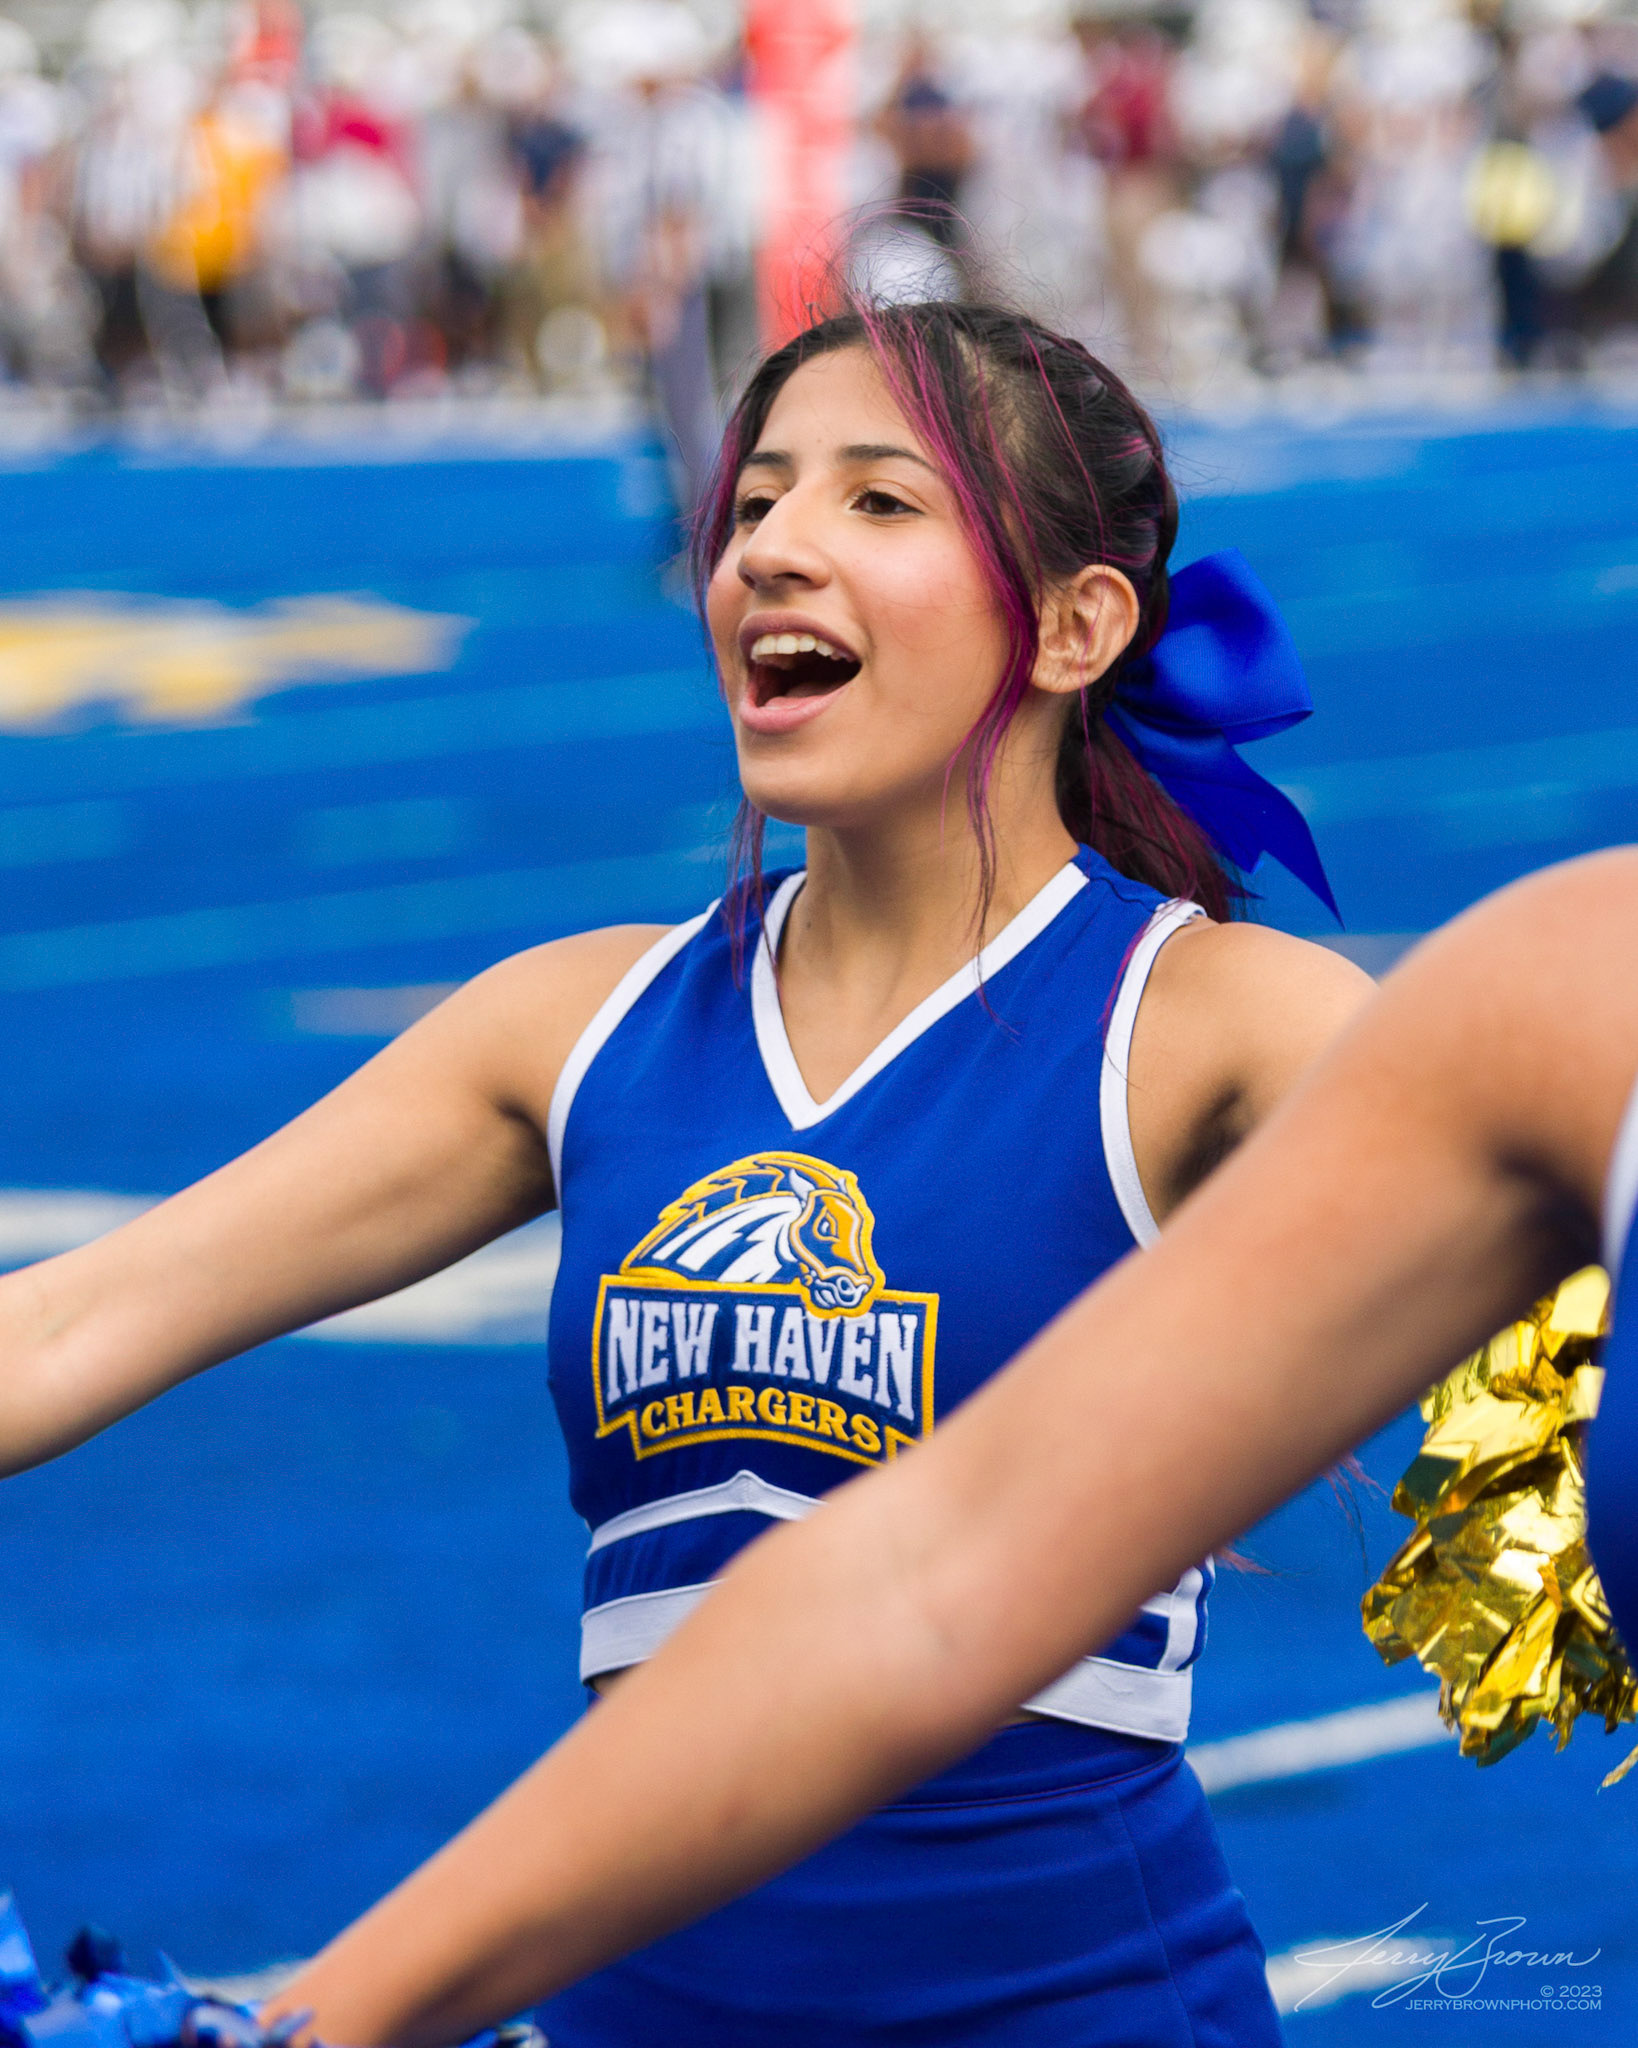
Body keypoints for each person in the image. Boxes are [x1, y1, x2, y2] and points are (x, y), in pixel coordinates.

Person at [0, 298, 1370, 2045]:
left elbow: (1548, 1223)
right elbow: (69, 1326)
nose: (771, 548)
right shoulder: (574, 1027)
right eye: (755, 502)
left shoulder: (1211, 1021)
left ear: (1075, 625)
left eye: (879, 501)